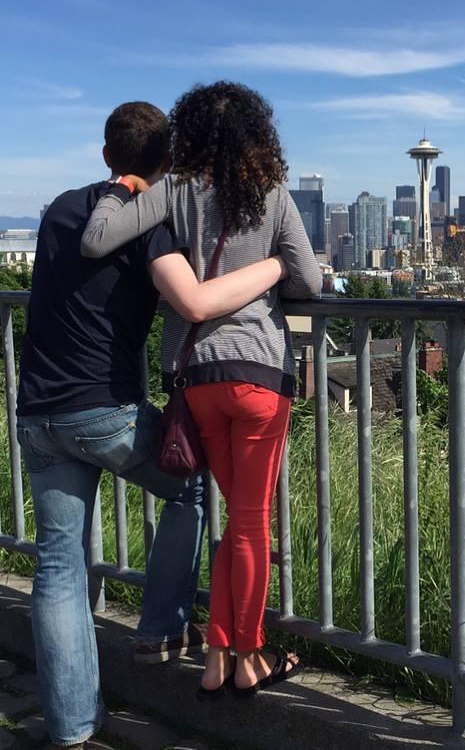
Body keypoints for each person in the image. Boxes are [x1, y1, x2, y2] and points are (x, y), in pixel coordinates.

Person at [17, 100, 290, 749]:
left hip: (37, 410)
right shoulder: (150, 224)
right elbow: (194, 299)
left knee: (58, 564)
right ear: (167, 163)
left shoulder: (58, 207)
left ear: (107, 155)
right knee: (190, 486)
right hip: (103, 407)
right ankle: (160, 628)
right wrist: (275, 267)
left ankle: (71, 723)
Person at [82, 82, 322, 698]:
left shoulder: (174, 189)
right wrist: (270, 269)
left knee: (233, 520)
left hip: (197, 380)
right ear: (256, 131)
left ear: (188, 132)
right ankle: (245, 658)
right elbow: (312, 282)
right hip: (261, 376)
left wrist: (122, 188)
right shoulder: (272, 194)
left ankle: (220, 657)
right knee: (251, 524)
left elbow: (102, 238)